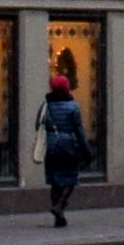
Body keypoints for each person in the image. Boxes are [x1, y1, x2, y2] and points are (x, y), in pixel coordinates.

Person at [38, 68, 94, 229]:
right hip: (67, 145)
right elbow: (79, 131)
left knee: (55, 180)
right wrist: (87, 151)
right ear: (67, 88)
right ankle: (60, 205)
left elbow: (39, 124)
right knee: (70, 177)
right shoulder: (73, 107)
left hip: (51, 145)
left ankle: (59, 216)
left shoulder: (46, 106)